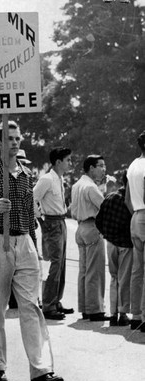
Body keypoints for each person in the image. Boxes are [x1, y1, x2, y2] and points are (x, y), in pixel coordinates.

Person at [0, 120, 63, 381]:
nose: (15, 142)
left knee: (32, 305)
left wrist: (34, 248)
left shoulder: (26, 175)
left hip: (24, 240)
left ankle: (40, 368)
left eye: (17, 138)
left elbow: (30, 216)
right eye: (9, 138)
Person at [33, 147, 74, 320]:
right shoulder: (47, 179)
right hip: (51, 222)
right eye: (68, 160)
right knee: (53, 265)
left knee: (61, 263)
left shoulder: (59, 178)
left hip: (60, 221)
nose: (70, 163)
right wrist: (40, 219)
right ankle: (48, 305)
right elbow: (31, 198)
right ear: (58, 162)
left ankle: (56, 300)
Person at [71, 155, 109, 321]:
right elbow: (105, 207)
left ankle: (86, 308)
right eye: (100, 166)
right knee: (95, 271)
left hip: (80, 228)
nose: (103, 169)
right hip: (92, 227)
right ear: (91, 168)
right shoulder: (91, 187)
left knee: (84, 271)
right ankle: (95, 309)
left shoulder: (77, 185)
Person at [95, 171, 132, 326]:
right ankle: (122, 313)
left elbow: (99, 221)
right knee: (124, 279)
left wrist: (107, 235)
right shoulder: (132, 202)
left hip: (110, 243)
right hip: (126, 245)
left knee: (114, 278)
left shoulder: (110, 197)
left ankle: (112, 313)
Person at [126, 131, 145, 331]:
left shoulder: (133, 165)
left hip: (136, 216)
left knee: (137, 270)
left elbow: (127, 199)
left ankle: (136, 315)